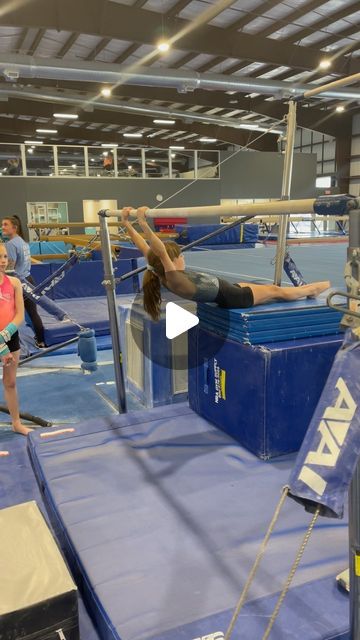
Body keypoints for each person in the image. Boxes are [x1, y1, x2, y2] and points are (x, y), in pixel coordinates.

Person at [121, 206, 331, 321]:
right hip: (235, 298)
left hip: (230, 290)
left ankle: (309, 290)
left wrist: (126, 224)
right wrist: (142, 222)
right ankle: (317, 288)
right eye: (180, 257)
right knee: (277, 291)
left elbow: (145, 247)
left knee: (273, 289)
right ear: (171, 262)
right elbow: (158, 249)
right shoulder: (174, 279)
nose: (183, 258)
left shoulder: (160, 271)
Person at [0, 242, 32, 435]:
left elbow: (19, 315)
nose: (2, 261)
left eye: (4, 257)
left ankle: (16, 423)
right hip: (2, 343)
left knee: (10, 382)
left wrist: (5, 335)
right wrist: (1, 347)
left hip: (10, 336)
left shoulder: (14, 283)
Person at [1, 215, 46, 348]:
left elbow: (10, 266)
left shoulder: (11, 244)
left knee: (11, 312)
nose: (2, 227)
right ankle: (41, 340)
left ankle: (8, 342)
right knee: (32, 312)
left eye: (5, 225)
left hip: (18, 281)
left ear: (14, 228)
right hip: (29, 279)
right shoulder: (22, 241)